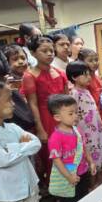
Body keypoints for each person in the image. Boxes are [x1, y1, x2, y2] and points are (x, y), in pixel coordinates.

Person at [21, 35, 69, 188]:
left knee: (67, 149)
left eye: (51, 50)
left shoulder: (60, 73)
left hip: (62, 117)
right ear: (33, 53)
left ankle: (70, 181)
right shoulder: (29, 76)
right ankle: (55, 187)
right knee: (51, 154)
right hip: (44, 118)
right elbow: (33, 104)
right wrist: (40, 129)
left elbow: (67, 99)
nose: (49, 54)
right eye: (44, 51)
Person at [47, 94, 97, 202]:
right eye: (71, 113)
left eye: (76, 112)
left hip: (82, 172)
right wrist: (69, 177)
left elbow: (83, 147)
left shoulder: (77, 130)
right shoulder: (56, 137)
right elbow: (57, 160)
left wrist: (91, 161)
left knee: (83, 198)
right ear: (58, 117)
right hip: (68, 176)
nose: (75, 116)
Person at [67, 61, 102, 179]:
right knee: (90, 157)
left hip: (95, 129)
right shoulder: (74, 93)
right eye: (85, 75)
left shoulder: (87, 91)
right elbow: (73, 114)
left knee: (98, 151)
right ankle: (92, 184)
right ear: (74, 77)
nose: (89, 77)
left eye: (89, 75)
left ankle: (98, 179)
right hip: (85, 132)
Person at [2, 44, 35, 132]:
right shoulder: (8, 82)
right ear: (7, 62)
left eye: (23, 58)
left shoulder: (32, 76)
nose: (20, 62)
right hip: (21, 125)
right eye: (15, 59)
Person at [78, 48, 102, 130]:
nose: (95, 63)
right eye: (90, 61)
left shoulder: (98, 78)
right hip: (91, 117)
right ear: (82, 62)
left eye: (96, 60)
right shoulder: (84, 80)